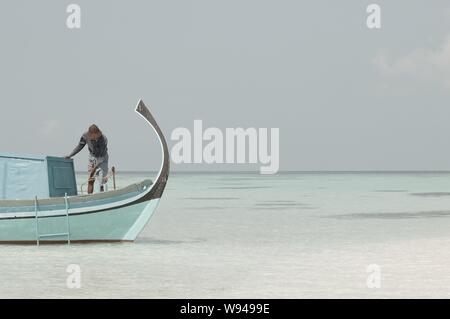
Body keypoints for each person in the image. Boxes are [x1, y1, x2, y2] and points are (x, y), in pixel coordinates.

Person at [66, 124, 109, 193]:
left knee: (101, 181)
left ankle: (102, 194)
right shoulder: (85, 136)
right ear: (90, 135)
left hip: (102, 158)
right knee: (91, 179)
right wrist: (70, 155)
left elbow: (101, 157)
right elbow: (79, 146)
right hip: (92, 156)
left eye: (97, 136)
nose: (95, 139)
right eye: (93, 137)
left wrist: (94, 168)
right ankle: (89, 197)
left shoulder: (104, 139)